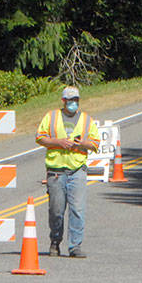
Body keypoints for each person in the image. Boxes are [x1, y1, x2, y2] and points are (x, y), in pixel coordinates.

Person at [36, 86, 100, 257]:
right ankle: (55, 241)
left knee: (77, 209)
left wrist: (81, 144)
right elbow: (40, 137)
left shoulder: (86, 120)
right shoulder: (51, 117)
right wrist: (58, 142)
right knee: (56, 210)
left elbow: (95, 144)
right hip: (56, 171)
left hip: (77, 170)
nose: (73, 103)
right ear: (63, 101)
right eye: (70, 100)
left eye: (76, 100)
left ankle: (75, 246)